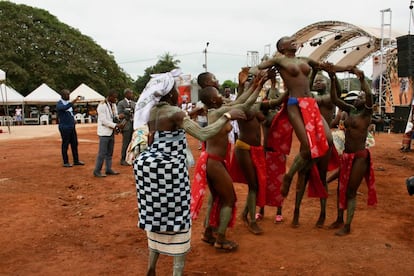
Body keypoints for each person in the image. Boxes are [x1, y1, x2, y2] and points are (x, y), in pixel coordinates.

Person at [133, 69, 245, 276]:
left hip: (147, 169)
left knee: (155, 217)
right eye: (175, 90)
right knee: (178, 219)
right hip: (169, 170)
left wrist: (191, 114)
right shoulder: (176, 113)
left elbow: (166, 127)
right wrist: (228, 116)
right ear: (169, 94)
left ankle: (152, 267)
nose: (178, 93)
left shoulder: (153, 112)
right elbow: (204, 133)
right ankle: (177, 272)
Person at [251, 36, 354, 200]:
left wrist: (349, 68)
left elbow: (328, 67)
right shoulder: (279, 61)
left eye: (294, 40)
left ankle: (298, 171)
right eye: (289, 40)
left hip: (310, 103)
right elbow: (254, 69)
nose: (294, 41)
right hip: (294, 104)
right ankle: (289, 176)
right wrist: (263, 73)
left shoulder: (304, 59)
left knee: (327, 141)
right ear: (282, 47)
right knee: (307, 146)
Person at [191, 69, 270, 251]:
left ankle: (208, 233)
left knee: (217, 197)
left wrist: (256, 85)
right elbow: (244, 104)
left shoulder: (215, 111)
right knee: (229, 199)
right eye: (218, 94)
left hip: (212, 161)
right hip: (215, 162)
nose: (222, 95)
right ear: (212, 99)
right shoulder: (220, 113)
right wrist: (257, 87)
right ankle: (221, 238)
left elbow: (240, 102)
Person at [327, 68, 378, 236]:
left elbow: (370, 94)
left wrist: (362, 79)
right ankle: (339, 219)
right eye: (359, 96)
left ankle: (347, 225)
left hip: (360, 157)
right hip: (347, 156)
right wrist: (333, 76)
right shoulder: (349, 110)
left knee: (350, 191)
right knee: (340, 189)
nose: (360, 98)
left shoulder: (366, 114)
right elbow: (334, 98)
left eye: (362, 97)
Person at [93, 90, 124, 177]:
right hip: (104, 133)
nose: (116, 99)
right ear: (109, 96)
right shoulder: (102, 106)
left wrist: (119, 117)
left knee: (109, 153)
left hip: (111, 132)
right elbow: (103, 121)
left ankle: (108, 169)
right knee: (102, 153)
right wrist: (116, 125)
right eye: (114, 97)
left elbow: (112, 117)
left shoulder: (113, 105)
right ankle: (97, 171)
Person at [56, 89, 85, 168]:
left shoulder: (67, 103)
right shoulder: (59, 103)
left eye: (69, 94)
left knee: (74, 143)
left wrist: (73, 119)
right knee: (65, 144)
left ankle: (76, 160)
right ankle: (65, 162)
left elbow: (70, 112)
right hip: (65, 127)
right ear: (62, 96)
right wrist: (74, 101)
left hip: (71, 126)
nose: (68, 96)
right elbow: (65, 108)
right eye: (67, 95)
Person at [117, 88, 136, 166]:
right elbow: (119, 114)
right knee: (126, 143)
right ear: (126, 94)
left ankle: (131, 158)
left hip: (133, 125)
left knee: (133, 142)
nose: (132, 95)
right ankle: (123, 159)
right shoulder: (121, 103)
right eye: (130, 93)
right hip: (126, 125)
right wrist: (127, 113)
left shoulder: (134, 103)